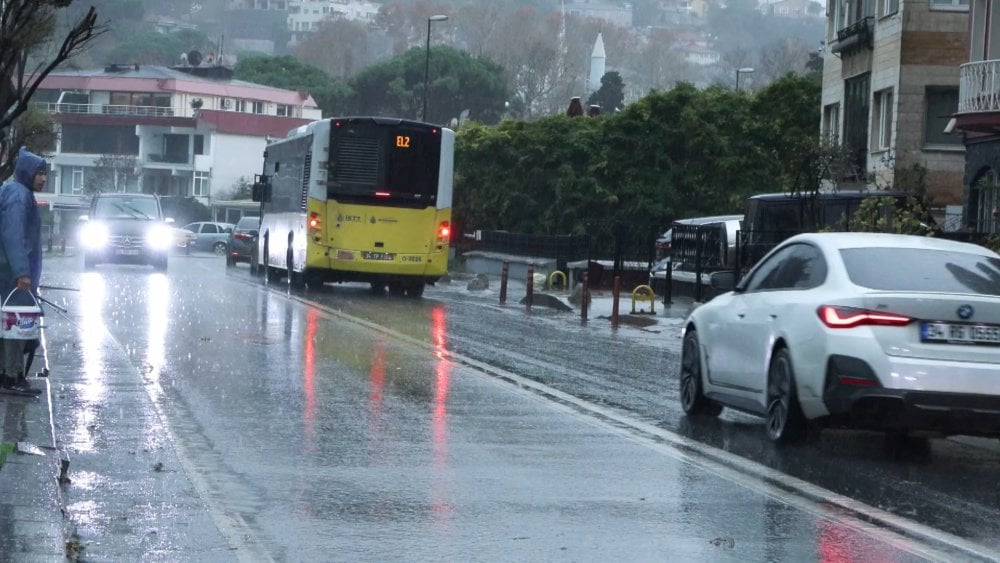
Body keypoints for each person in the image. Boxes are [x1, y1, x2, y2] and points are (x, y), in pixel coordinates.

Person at [0, 147, 47, 394]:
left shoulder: (18, 192)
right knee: (16, 325)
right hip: (12, 276)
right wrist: (22, 272)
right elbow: (13, 236)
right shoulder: (18, 196)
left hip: (13, 274)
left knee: (12, 324)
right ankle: (12, 377)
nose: (43, 179)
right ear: (28, 173)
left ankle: (10, 375)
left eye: (45, 174)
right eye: (39, 173)